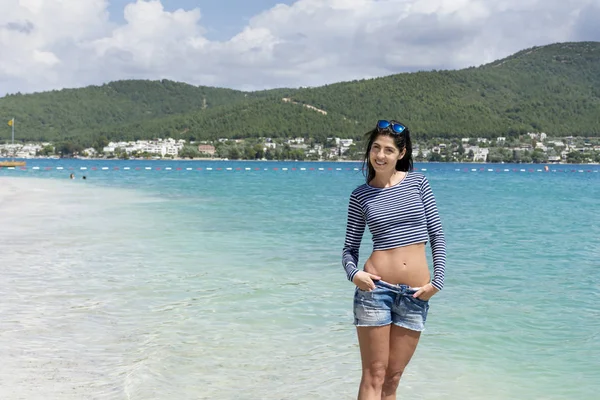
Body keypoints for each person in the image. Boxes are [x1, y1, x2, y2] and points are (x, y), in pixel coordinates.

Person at [342, 119, 446, 400]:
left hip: (416, 294)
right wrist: (355, 275)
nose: (380, 155)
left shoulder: (418, 183)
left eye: (388, 150)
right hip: (375, 291)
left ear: (401, 154)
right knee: (374, 374)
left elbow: (437, 234)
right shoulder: (360, 196)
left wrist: (437, 282)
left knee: (393, 378)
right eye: (376, 148)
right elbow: (349, 249)